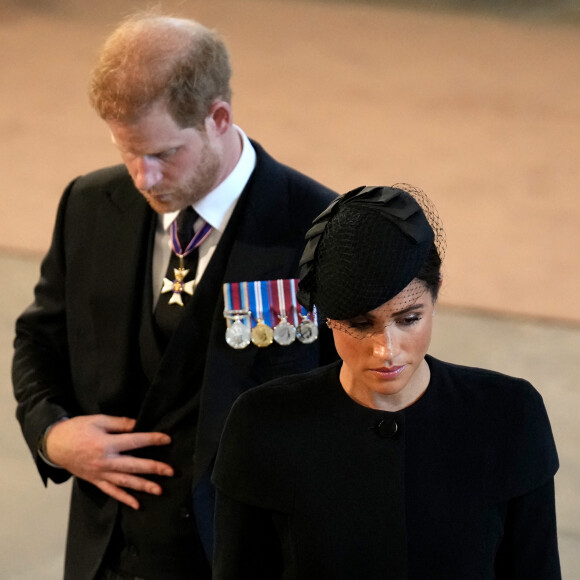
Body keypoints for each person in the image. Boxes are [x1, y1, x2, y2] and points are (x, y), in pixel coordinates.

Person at [12, 13, 337, 580]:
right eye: (127, 152)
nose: (144, 177)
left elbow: (348, 404)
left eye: (164, 153)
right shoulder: (90, 206)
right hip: (105, 559)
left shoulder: (318, 227)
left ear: (218, 118)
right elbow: (39, 338)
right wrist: (50, 434)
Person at [212, 184, 561, 579]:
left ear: (436, 294)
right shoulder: (263, 424)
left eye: (409, 319)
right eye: (360, 325)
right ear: (327, 317)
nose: (387, 350)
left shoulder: (509, 415)